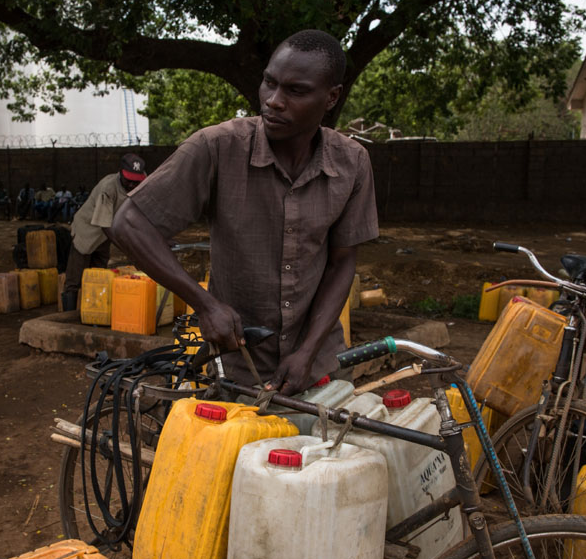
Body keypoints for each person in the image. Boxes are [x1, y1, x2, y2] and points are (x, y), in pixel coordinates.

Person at [110, 29, 377, 396]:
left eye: (295, 91)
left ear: (331, 97)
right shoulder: (217, 147)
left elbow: (342, 262)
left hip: (318, 365)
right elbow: (129, 224)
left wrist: (307, 352)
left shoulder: (353, 162)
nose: (274, 101)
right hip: (238, 366)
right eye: (269, 83)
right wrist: (205, 304)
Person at [61, 154, 147, 311]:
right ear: (120, 173)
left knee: (99, 276)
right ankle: (68, 316)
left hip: (104, 236)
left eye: (136, 181)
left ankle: (94, 311)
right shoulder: (108, 188)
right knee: (75, 276)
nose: (132, 184)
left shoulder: (140, 185)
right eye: (128, 180)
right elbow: (105, 225)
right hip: (87, 231)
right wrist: (129, 251)